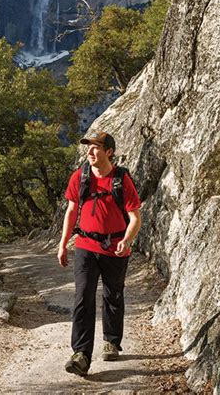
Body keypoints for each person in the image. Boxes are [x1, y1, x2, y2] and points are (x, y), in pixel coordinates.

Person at [57, 131, 141, 376]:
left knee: (113, 295)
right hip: (85, 245)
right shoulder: (80, 177)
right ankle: (81, 354)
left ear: (109, 152)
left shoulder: (122, 179)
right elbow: (71, 211)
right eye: (88, 147)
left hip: (115, 247)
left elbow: (135, 217)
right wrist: (63, 243)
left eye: (96, 147)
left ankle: (112, 341)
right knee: (83, 296)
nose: (90, 152)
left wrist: (127, 239)